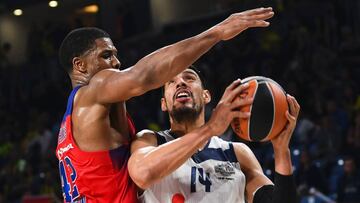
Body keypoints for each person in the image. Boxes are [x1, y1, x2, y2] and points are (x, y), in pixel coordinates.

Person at [55, 7, 275, 203]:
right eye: (107, 55)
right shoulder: (93, 90)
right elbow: (143, 76)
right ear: (80, 65)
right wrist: (217, 33)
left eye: (115, 55)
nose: (116, 62)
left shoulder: (73, 120)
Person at [128, 66, 300, 203]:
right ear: (163, 104)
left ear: (206, 96)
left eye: (189, 77)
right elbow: (142, 174)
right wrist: (210, 128)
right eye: (171, 82)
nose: (180, 82)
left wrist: (281, 150)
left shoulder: (237, 153)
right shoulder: (149, 140)